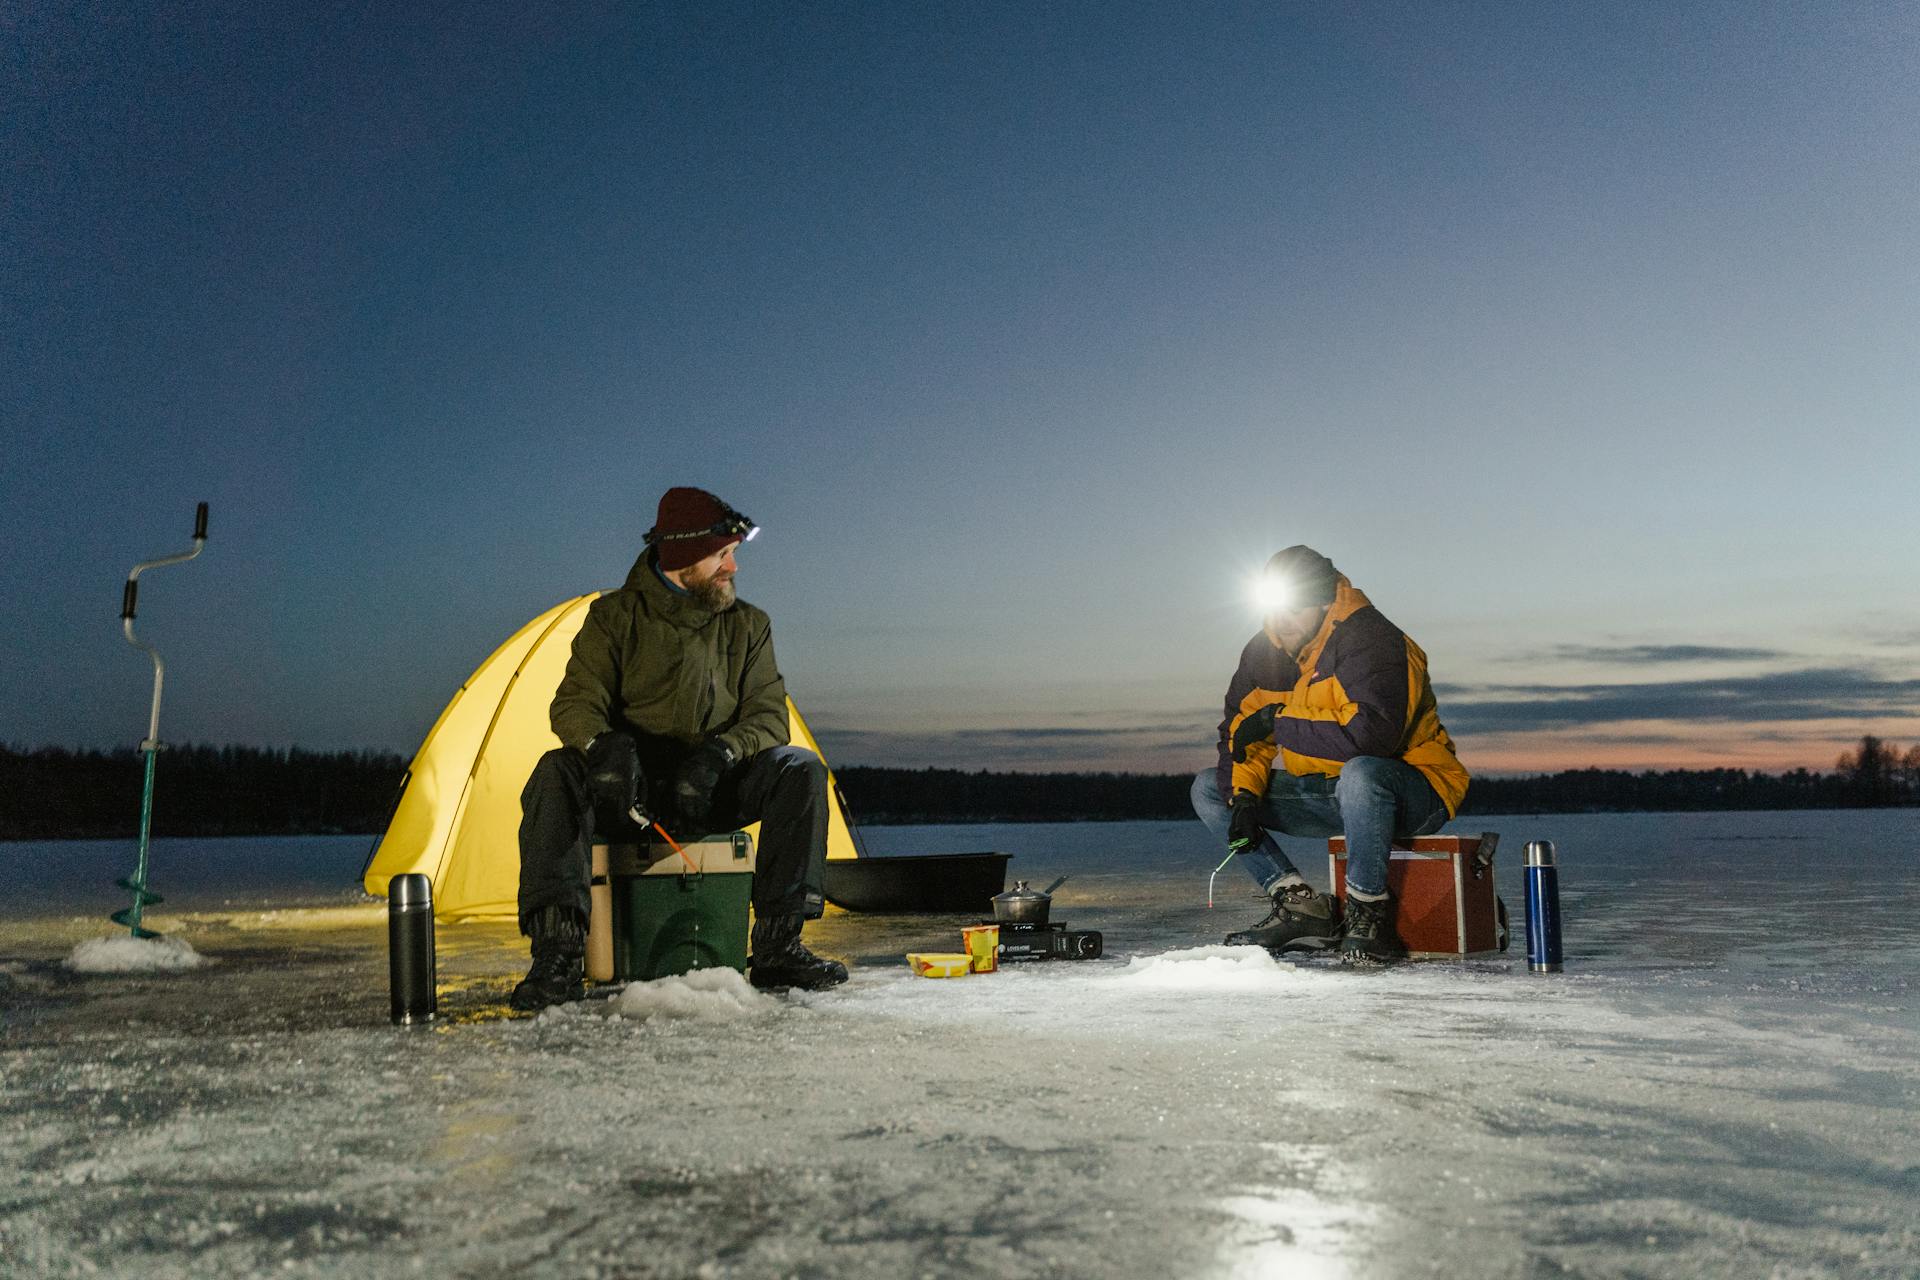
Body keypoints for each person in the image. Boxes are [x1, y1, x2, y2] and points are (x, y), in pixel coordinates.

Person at [510, 487, 848, 1010]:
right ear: (685, 557)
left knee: (799, 769)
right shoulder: (613, 618)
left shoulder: (748, 625)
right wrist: (604, 749)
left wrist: (722, 755)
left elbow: (768, 715)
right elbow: (574, 703)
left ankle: (781, 945)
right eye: (722, 555)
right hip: (630, 794)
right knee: (556, 772)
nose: (733, 568)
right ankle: (557, 956)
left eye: (734, 554)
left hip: (711, 785)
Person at [1191, 546, 1469, 964]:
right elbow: (1242, 733)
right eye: (1277, 608)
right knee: (1210, 789)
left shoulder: (1371, 638)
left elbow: (1372, 738)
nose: (1283, 622)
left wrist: (1279, 721)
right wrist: (1244, 799)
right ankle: (1301, 906)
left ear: (1324, 601)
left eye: (1297, 608)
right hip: (1329, 794)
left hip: (1411, 790)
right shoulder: (1263, 653)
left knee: (1360, 774)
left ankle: (1367, 914)